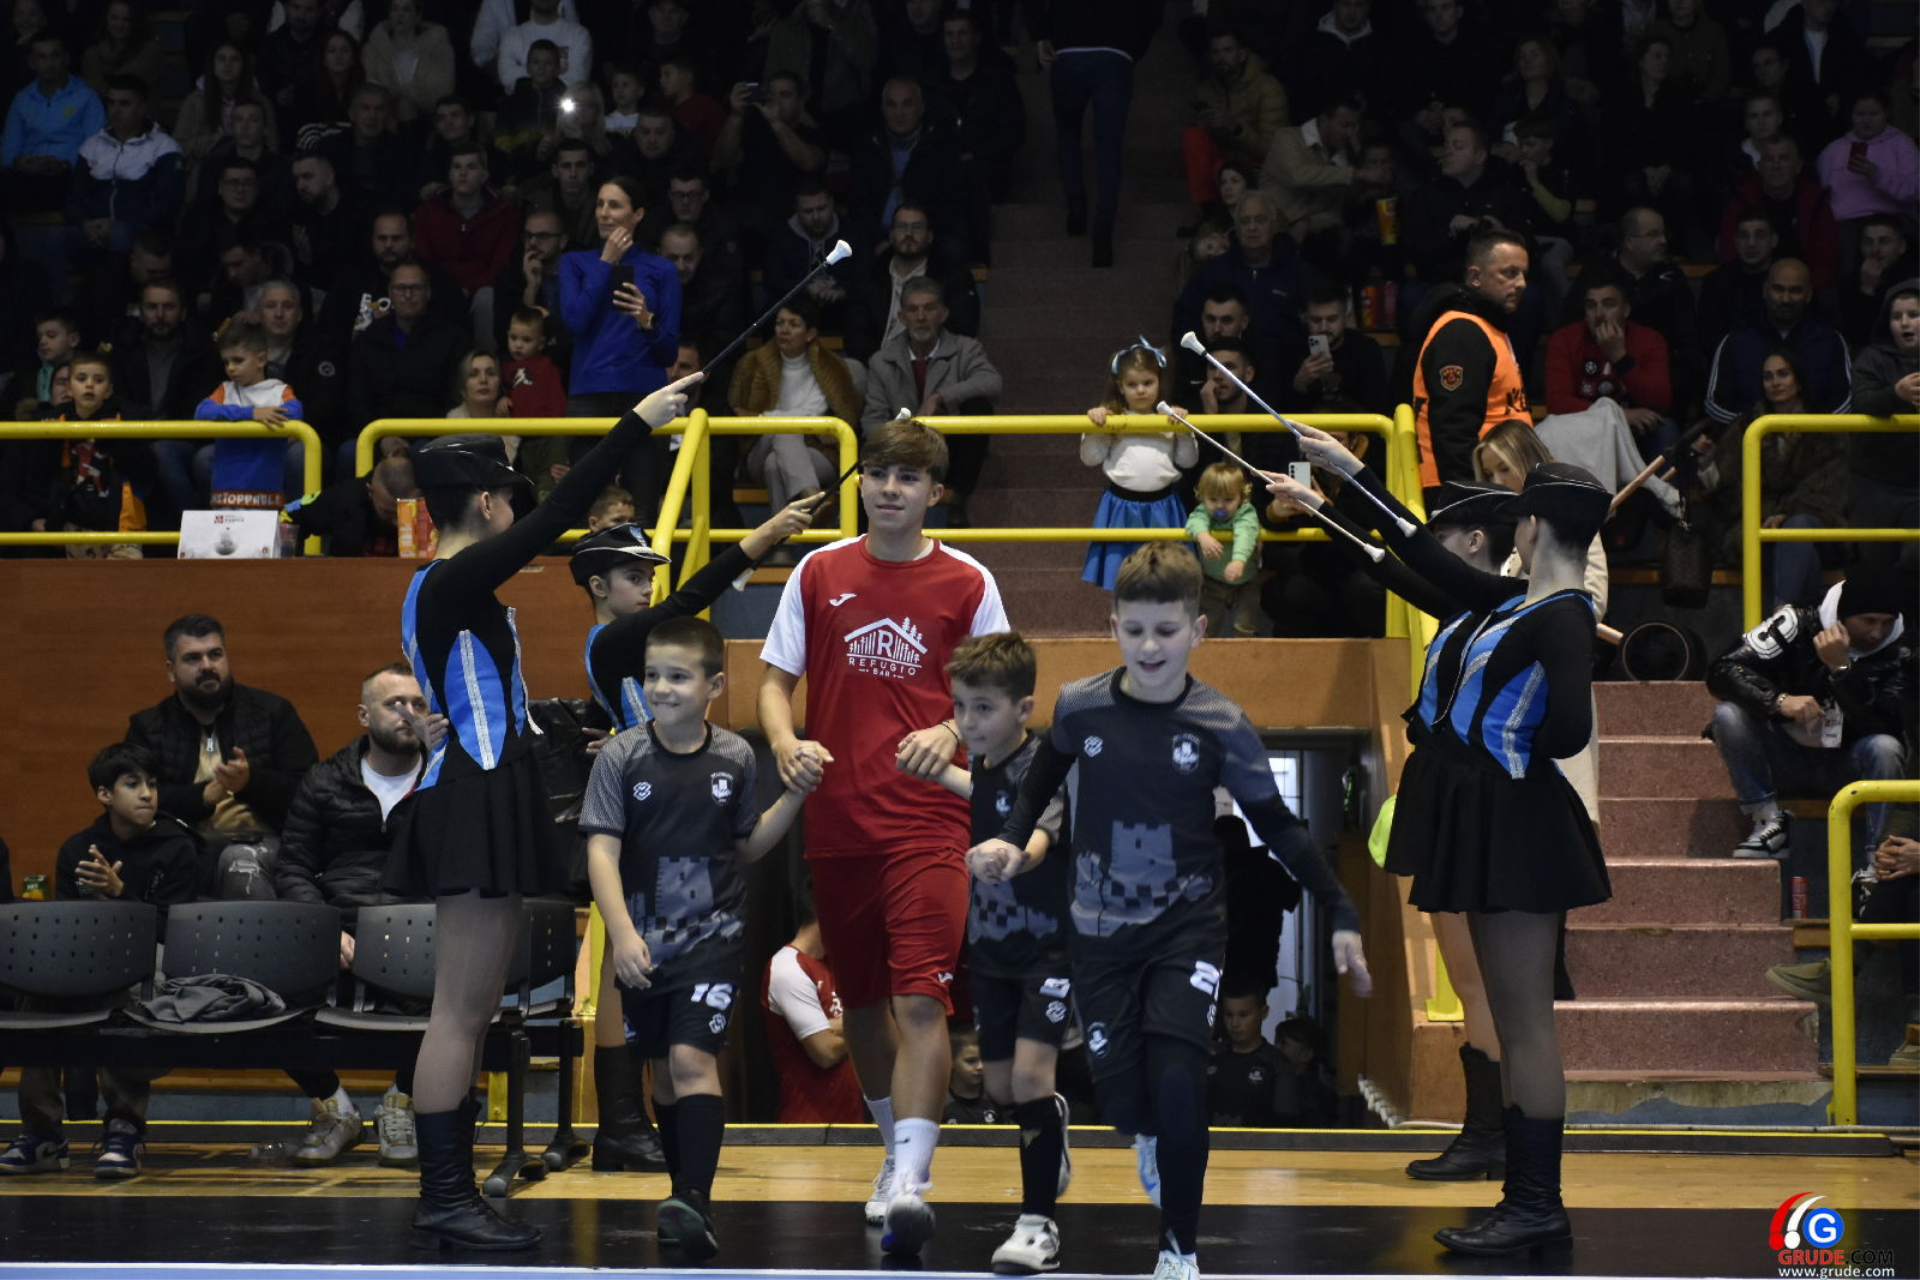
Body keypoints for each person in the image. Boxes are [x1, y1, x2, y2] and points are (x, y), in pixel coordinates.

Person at [968, 542, 1370, 1280]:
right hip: (1098, 937)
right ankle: (1147, 1134)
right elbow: (1041, 780)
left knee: (1182, 1085)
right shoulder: (1081, 705)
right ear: (1113, 626)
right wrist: (1010, 838)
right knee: (1125, 1104)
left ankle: (1179, 1249)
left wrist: (1340, 910)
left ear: (1199, 630)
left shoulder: (1220, 722)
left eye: (1166, 630)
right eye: (1135, 630)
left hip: (1187, 933)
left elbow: (1279, 826)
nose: (1150, 647)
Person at [390, 372, 700, 1251]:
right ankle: (444, 1195)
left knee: (473, 1007)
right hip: (474, 793)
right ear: (487, 502)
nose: (515, 516)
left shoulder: (449, 587)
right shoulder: (452, 580)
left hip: (486, 787)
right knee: (459, 1011)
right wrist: (635, 424)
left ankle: (452, 1192)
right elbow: (562, 512)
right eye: (508, 503)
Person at [1293, 429, 1610, 1255]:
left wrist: (1503, 750)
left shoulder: (1563, 615)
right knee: (1508, 1013)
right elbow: (1418, 559)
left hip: (1517, 818)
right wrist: (1349, 476)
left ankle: (1535, 1201)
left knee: (1525, 1021)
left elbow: (1569, 730)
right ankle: (1522, 1194)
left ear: (1532, 527)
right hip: (1494, 811)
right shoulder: (1519, 601)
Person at [758, 417, 1009, 1254]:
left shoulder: (969, 580)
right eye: (878, 474)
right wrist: (785, 741)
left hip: (932, 822)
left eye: (908, 477)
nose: (890, 488)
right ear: (860, 482)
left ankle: (912, 1178)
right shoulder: (818, 570)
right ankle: (892, 1154)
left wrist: (954, 727)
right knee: (864, 1007)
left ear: (935, 491)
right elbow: (773, 682)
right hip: (838, 823)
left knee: (920, 999)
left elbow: (1004, 693)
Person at [566, 504, 811, 1169]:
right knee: (618, 972)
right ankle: (621, 1120)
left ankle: (632, 1125)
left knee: (634, 981)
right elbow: (687, 602)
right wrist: (761, 539)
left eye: (650, 575)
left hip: (674, 815)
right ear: (597, 587)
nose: (648, 588)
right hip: (635, 823)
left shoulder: (626, 656)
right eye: (633, 577)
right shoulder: (612, 642)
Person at [580, 615, 816, 1260]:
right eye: (652, 676)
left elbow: (748, 845)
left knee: (691, 1061)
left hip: (713, 939)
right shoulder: (622, 756)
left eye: (678, 677)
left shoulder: (734, 756)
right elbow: (601, 852)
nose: (661, 688)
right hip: (641, 943)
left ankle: (693, 1197)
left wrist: (795, 796)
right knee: (661, 1076)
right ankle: (683, 1199)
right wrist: (622, 936)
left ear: (714, 685)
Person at [928, 630, 1074, 1273]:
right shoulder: (985, 765)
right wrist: (942, 772)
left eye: (983, 708)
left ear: (1024, 708)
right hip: (990, 951)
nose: (967, 721)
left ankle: (1037, 1226)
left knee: (1032, 1080)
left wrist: (1010, 856)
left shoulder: (1045, 765)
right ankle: (1051, 1125)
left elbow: (1039, 833)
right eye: (960, 706)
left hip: (1047, 951)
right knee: (1003, 1087)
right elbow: (987, 793)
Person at [0, 744, 196, 1179]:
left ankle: (124, 1128)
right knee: (38, 993)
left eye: (152, 784)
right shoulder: (78, 849)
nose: (147, 794)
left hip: (151, 963)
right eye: (133, 784)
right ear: (105, 795)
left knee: (127, 991)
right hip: (87, 957)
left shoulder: (177, 848)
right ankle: (42, 1133)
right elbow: (68, 923)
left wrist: (119, 895)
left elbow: (174, 931)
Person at [273, 663, 430, 1167]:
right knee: (267, 990)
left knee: (463, 988)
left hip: (420, 929)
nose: (409, 713)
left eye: (419, 703)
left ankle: (401, 1103)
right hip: (336, 925)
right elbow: (293, 865)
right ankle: (335, 1108)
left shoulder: (446, 779)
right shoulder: (324, 780)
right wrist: (322, 927)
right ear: (364, 715)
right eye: (395, 703)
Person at [1705, 567, 1908, 865]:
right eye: (1868, 621)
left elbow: (1887, 722)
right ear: (1843, 615)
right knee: (1728, 715)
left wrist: (1841, 670)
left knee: (1886, 747)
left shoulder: (1903, 648)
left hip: (1849, 763)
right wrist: (1778, 701)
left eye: (1886, 622)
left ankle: (1878, 861)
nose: (1877, 633)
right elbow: (1722, 670)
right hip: (1785, 756)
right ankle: (1768, 822)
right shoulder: (1799, 620)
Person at [125, 614, 320, 895]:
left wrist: (250, 783)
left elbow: (309, 793)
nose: (207, 666)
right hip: (181, 845)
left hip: (264, 842)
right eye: (193, 658)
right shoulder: (149, 727)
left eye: (215, 655)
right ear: (171, 670)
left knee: (240, 863)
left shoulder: (272, 713)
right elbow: (131, 802)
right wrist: (202, 797)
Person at [561, 175, 680, 522]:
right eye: (600, 204)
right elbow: (574, 321)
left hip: (643, 393)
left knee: (643, 507)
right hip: (589, 393)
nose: (604, 212)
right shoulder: (575, 263)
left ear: (637, 214)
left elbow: (669, 352)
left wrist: (645, 318)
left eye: (615, 205)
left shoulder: (661, 269)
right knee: (586, 506)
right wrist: (605, 263)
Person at [1701, 350, 1844, 610]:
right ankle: (1793, 625)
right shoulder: (1746, 426)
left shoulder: (1826, 428)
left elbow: (1829, 486)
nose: (1775, 382)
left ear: (1798, 380)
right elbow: (1726, 489)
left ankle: (1779, 619)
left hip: (1816, 523)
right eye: (1767, 377)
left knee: (1798, 528)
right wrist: (1708, 464)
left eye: (1783, 374)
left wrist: (1787, 513)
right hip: (1760, 527)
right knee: (1803, 557)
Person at [859, 276, 1001, 525]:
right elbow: (872, 421)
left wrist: (940, 398)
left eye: (929, 308)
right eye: (913, 310)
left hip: (948, 449)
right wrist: (903, 435)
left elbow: (992, 382)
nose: (921, 317)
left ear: (943, 314)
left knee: (979, 408)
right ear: (902, 317)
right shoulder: (881, 360)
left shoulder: (965, 348)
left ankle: (959, 499)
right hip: (901, 449)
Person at [1037, 0, 1161, 267]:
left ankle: (1076, 204)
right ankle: (1103, 227)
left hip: (1068, 42)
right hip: (1116, 47)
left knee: (1068, 134)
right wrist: (1134, 44)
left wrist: (1041, 32)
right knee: (1109, 147)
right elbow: (1154, 10)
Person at [1409, 231, 1532, 493]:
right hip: (1469, 488)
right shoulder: (1462, 333)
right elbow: (1453, 429)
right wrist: (1470, 499)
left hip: (1496, 483)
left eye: (1524, 274)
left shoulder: (1489, 328)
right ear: (1476, 277)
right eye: (1510, 273)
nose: (1521, 283)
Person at [726, 297, 859, 527]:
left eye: (794, 324)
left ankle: (783, 542)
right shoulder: (752, 363)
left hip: (817, 450)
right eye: (780, 323)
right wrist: (777, 422)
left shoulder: (832, 367)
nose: (784, 330)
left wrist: (765, 418)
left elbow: (847, 415)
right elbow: (736, 410)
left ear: (810, 333)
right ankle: (814, 500)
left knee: (774, 465)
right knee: (785, 430)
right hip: (760, 446)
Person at [1080, 340, 1197, 591]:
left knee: (1166, 578)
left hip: (1164, 506)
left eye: (1148, 382)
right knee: (1123, 578)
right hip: (1120, 506)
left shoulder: (1169, 418)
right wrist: (1095, 426)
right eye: (1132, 384)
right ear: (1120, 387)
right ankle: (1124, 616)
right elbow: (1090, 458)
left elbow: (1188, 461)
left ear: (1159, 382)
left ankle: (1164, 617)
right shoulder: (1112, 419)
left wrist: (1185, 430)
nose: (1141, 390)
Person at [1543, 269, 1673, 462]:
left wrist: (1620, 357)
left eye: (1609, 304)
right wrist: (1619, 416)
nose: (1599, 314)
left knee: (1666, 429)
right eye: (1591, 306)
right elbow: (1557, 403)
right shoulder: (1565, 339)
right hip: (1582, 427)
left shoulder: (1650, 340)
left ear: (1626, 310)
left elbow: (1660, 402)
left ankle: (1663, 485)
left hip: (1635, 429)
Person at [1704, 258, 1851, 427]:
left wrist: (1809, 432)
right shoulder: (1737, 339)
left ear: (1809, 294)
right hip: (1748, 439)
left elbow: (1845, 402)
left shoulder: (1829, 340)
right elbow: (1714, 404)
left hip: (1814, 439)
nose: (1785, 299)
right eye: (1778, 289)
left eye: (1795, 291)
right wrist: (1758, 429)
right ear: (1765, 290)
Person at [762, 895, 866, 1123]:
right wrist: (864, 1020)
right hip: (807, 1126)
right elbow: (825, 1051)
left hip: (852, 1123)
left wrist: (838, 1026)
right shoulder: (788, 967)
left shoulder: (838, 966)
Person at [411, 145, 520, 346]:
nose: (462, 173)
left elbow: (501, 263)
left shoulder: (504, 213)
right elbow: (422, 260)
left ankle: (486, 360)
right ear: (449, 174)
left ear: (484, 175)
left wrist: (470, 287)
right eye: (457, 167)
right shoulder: (428, 212)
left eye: (470, 167)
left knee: (487, 299)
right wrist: (450, 289)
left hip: (483, 287)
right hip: (439, 286)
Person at [346, 261, 469, 437]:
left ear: (428, 292)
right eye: (400, 288)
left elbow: (455, 399)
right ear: (390, 293)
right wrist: (382, 438)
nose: (408, 295)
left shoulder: (452, 338)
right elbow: (357, 401)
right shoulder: (369, 339)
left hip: (431, 435)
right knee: (348, 451)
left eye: (416, 288)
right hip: (378, 435)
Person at [1848, 278, 1920, 570]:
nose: (1904, 323)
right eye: (1896, 316)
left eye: (1913, 314)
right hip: (1876, 483)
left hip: (1918, 486)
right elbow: (1862, 402)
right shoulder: (1871, 358)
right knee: (1876, 567)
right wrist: (1896, 395)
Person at [197, 322, 305, 511]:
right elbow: (202, 412)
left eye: (238, 360)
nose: (230, 368)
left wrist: (245, 417)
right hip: (225, 499)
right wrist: (252, 414)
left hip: (268, 499)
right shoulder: (225, 390)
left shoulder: (278, 391)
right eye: (226, 362)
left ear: (261, 360)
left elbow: (295, 412)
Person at [1182, 28, 1286, 216]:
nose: (1221, 58)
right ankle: (1209, 214)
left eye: (1228, 50)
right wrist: (1204, 126)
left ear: (1242, 54)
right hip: (1223, 164)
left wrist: (1236, 128)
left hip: (1257, 164)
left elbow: (1273, 148)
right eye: (1216, 52)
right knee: (1193, 136)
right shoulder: (1205, 90)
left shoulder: (1267, 87)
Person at [2, 32, 103, 212]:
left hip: (69, 175)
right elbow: (8, 149)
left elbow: (97, 148)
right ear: (31, 62)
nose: (49, 64)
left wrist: (63, 165)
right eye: (42, 57)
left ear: (66, 59)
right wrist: (18, 162)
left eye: (55, 56)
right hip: (25, 176)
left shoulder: (87, 96)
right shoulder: (22, 99)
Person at [1283, 282, 1388, 415]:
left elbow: (1378, 407)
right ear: (1306, 320)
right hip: (1305, 426)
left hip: (1354, 425)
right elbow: (1281, 411)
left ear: (1345, 317)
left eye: (1332, 319)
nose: (1323, 327)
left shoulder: (1366, 349)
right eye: (1316, 320)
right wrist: (1300, 384)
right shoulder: (1292, 348)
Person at [285, 453, 418, 556]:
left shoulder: (429, 500)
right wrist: (292, 564)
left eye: (405, 513)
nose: (397, 522)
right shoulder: (345, 499)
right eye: (389, 513)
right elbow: (289, 515)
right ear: (370, 492)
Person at [1188, 462, 1259, 639]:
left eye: (1228, 500)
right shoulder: (1203, 511)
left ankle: (1244, 654)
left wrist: (1239, 560)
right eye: (1213, 499)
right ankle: (1205, 652)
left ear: (1241, 497)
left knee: (1244, 626)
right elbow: (1194, 522)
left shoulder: (1245, 512)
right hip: (1212, 580)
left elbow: (1245, 533)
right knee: (1207, 625)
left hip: (1246, 580)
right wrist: (1203, 536)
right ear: (1202, 497)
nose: (1220, 506)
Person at [1701, 208, 1780, 357]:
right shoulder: (1716, 283)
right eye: (1744, 236)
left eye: (1760, 235)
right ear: (1735, 241)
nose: (1751, 243)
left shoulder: (1788, 279)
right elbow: (1710, 339)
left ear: (1774, 240)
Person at [360, 0, 453, 124]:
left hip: (430, 117)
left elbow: (441, 92)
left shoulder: (437, 47)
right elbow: (373, 90)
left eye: (406, 9)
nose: (399, 14)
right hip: (384, 117)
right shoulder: (373, 49)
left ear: (417, 16)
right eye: (395, 9)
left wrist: (399, 95)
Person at [1208, 984, 1284, 1127]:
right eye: (1229, 1015)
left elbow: (1288, 1125)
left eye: (1243, 1015)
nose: (1234, 1023)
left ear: (1263, 1013)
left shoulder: (1277, 1064)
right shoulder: (1211, 1059)